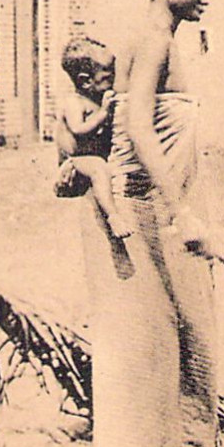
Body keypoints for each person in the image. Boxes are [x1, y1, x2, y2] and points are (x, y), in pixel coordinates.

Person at [80, 0, 218, 447]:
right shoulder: (154, 41)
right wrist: (179, 211)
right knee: (168, 346)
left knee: (173, 344)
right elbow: (135, 127)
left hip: (155, 210)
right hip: (149, 215)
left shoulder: (154, 40)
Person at [55, 36, 134, 278]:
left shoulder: (97, 99)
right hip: (74, 163)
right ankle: (113, 217)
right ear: (85, 81)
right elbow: (79, 130)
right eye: (107, 75)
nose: (113, 79)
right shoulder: (74, 102)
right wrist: (102, 114)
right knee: (100, 168)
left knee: (107, 167)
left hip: (89, 159)